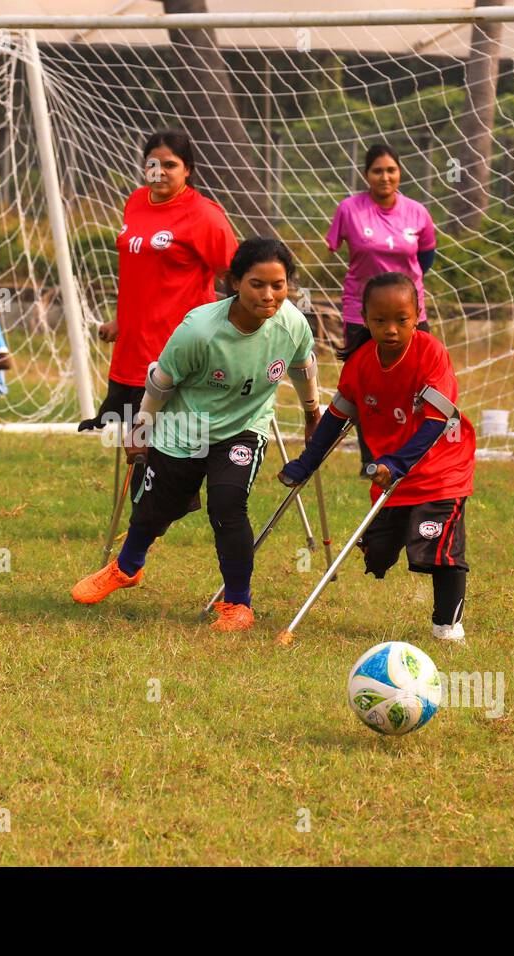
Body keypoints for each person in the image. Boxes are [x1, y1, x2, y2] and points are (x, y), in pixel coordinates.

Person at [71, 238, 322, 633]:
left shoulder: (292, 323)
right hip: (185, 426)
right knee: (155, 510)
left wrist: (312, 414)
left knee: (227, 503)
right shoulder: (200, 330)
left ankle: (238, 604)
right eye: (257, 284)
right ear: (235, 282)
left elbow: (303, 365)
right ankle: (126, 568)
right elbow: (161, 380)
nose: (269, 295)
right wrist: (141, 426)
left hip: (243, 428)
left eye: (279, 284)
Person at [278, 272, 475, 644]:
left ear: (416, 316)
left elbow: (435, 422)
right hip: (388, 473)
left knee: (434, 548)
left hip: (440, 469)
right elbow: (336, 418)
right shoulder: (359, 364)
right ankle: (383, 543)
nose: (391, 329)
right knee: (378, 555)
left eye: (401, 320)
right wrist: (306, 463)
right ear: (365, 319)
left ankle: (447, 627)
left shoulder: (431, 352)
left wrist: (399, 463)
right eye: (380, 320)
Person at [79, 129, 237, 433]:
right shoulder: (136, 201)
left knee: (165, 444)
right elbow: (142, 273)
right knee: (126, 439)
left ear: (188, 169)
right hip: (131, 347)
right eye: (152, 164)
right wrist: (120, 320)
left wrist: (232, 331)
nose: (159, 172)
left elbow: (236, 275)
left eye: (169, 165)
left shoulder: (204, 214)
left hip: (176, 348)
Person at [327, 144, 438, 476]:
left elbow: (427, 257)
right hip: (360, 315)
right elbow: (334, 246)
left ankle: (413, 457)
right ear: (366, 175)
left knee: (417, 386)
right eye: (377, 170)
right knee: (366, 388)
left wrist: (401, 295)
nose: (385, 176)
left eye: (391, 169)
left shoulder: (418, 212)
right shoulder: (348, 209)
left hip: (409, 316)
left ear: (400, 173)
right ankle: (370, 460)